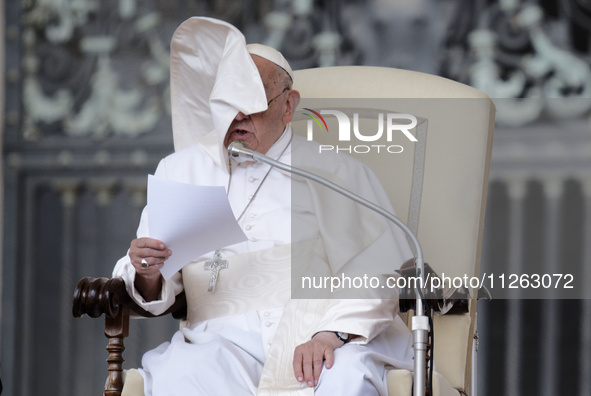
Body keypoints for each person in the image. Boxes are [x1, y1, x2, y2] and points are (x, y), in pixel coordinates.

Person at [113, 16, 414, 395]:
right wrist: (146, 271)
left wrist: (330, 334)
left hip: (322, 341)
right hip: (220, 343)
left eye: (251, 104)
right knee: (183, 374)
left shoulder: (337, 171)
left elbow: (375, 271)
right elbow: (155, 279)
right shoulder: (182, 170)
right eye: (227, 104)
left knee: (348, 378)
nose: (237, 117)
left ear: (288, 106)